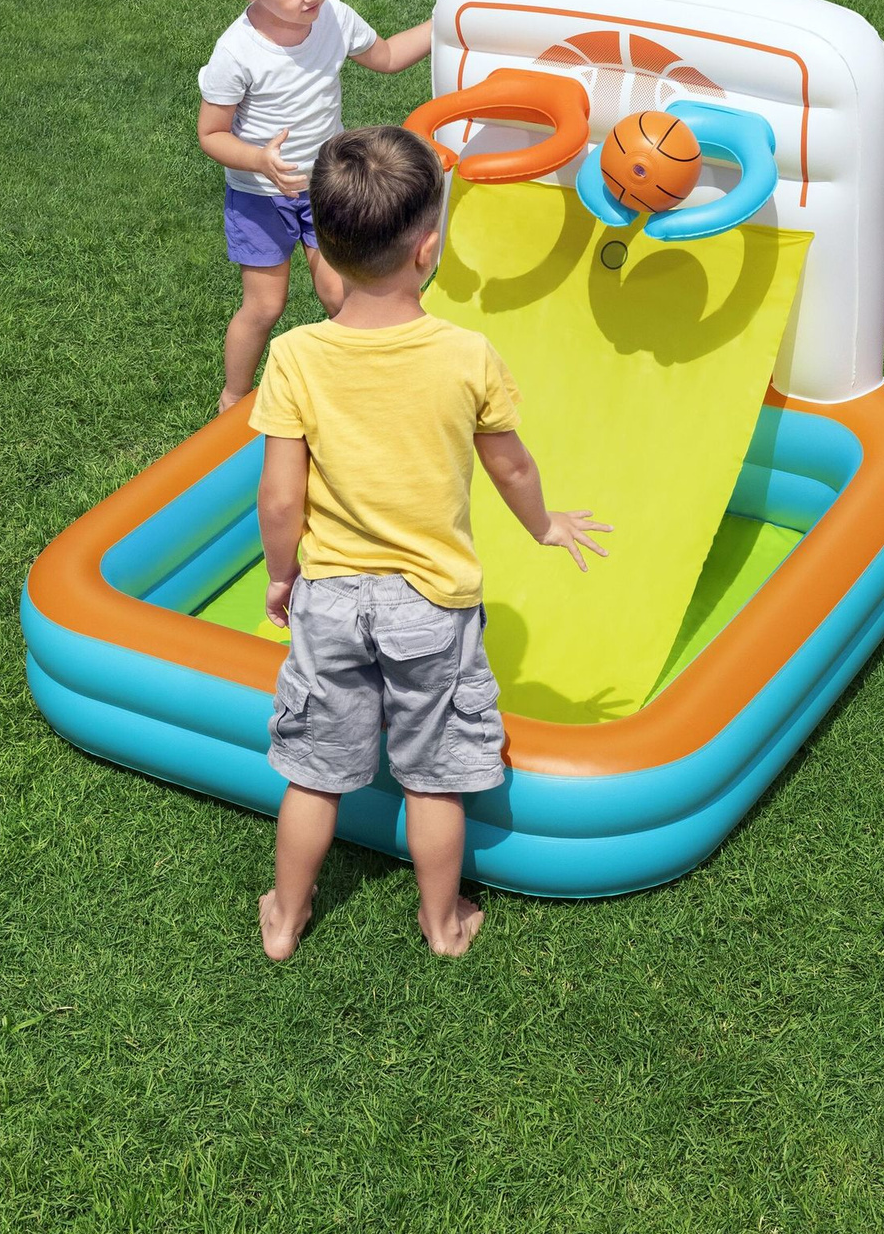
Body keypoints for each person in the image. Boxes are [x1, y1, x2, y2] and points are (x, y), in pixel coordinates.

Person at [249, 126, 612, 960]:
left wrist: (281, 576)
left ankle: (286, 918)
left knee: (314, 771)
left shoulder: (296, 356)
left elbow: (280, 497)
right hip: (431, 603)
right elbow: (511, 466)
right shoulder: (465, 355)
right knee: (434, 774)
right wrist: (546, 524)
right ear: (428, 248)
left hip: (330, 597)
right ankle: (442, 925)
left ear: (324, 248)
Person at [197, 0, 432, 413]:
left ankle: (361, 385)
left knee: (339, 294)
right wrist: (260, 160)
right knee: (265, 306)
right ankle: (233, 397)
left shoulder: (333, 18)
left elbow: (388, 56)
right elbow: (211, 134)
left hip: (325, 187)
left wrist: (447, 22)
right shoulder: (237, 53)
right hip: (260, 197)